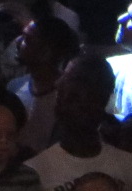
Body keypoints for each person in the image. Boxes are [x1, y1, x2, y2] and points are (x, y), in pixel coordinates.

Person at [26, 55, 132, 191]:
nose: (78, 107)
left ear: (101, 100)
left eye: (83, 97)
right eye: (70, 99)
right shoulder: (35, 170)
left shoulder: (129, 165)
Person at [9, 15, 80, 152]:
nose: (18, 41)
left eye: (27, 39)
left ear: (46, 52)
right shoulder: (14, 87)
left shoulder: (67, 99)